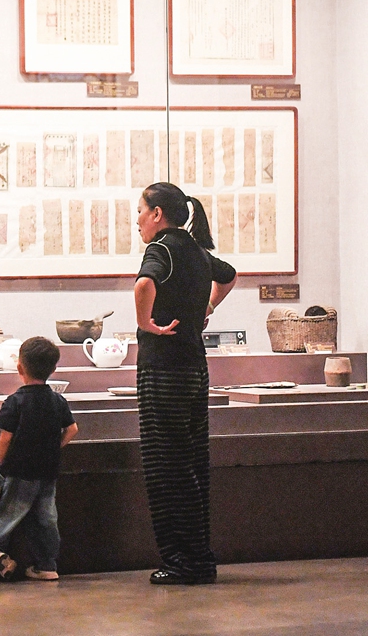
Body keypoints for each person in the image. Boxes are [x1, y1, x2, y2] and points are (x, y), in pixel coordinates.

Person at [134, 182, 237, 585]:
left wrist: (144, 323)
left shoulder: (160, 249)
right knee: (192, 462)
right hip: (195, 369)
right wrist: (208, 306)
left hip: (163, 370)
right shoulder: (196, 251)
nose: (138, 221)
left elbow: (144, 284)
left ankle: (183, 561)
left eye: (141, 212)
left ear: (158, 213)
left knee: (166, 466)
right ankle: (199, 557)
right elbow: (228, 277)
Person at [0, 337, 78, 582]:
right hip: (47, 469)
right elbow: (73, 429)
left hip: (18, 469)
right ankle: (46, 564)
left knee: (6, 511)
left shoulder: (15, 401)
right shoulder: (58, 401)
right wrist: (54, 447)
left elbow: (5, 438)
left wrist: (4, 461)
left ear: (20, 367)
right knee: (45, 517)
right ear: (53, 369)